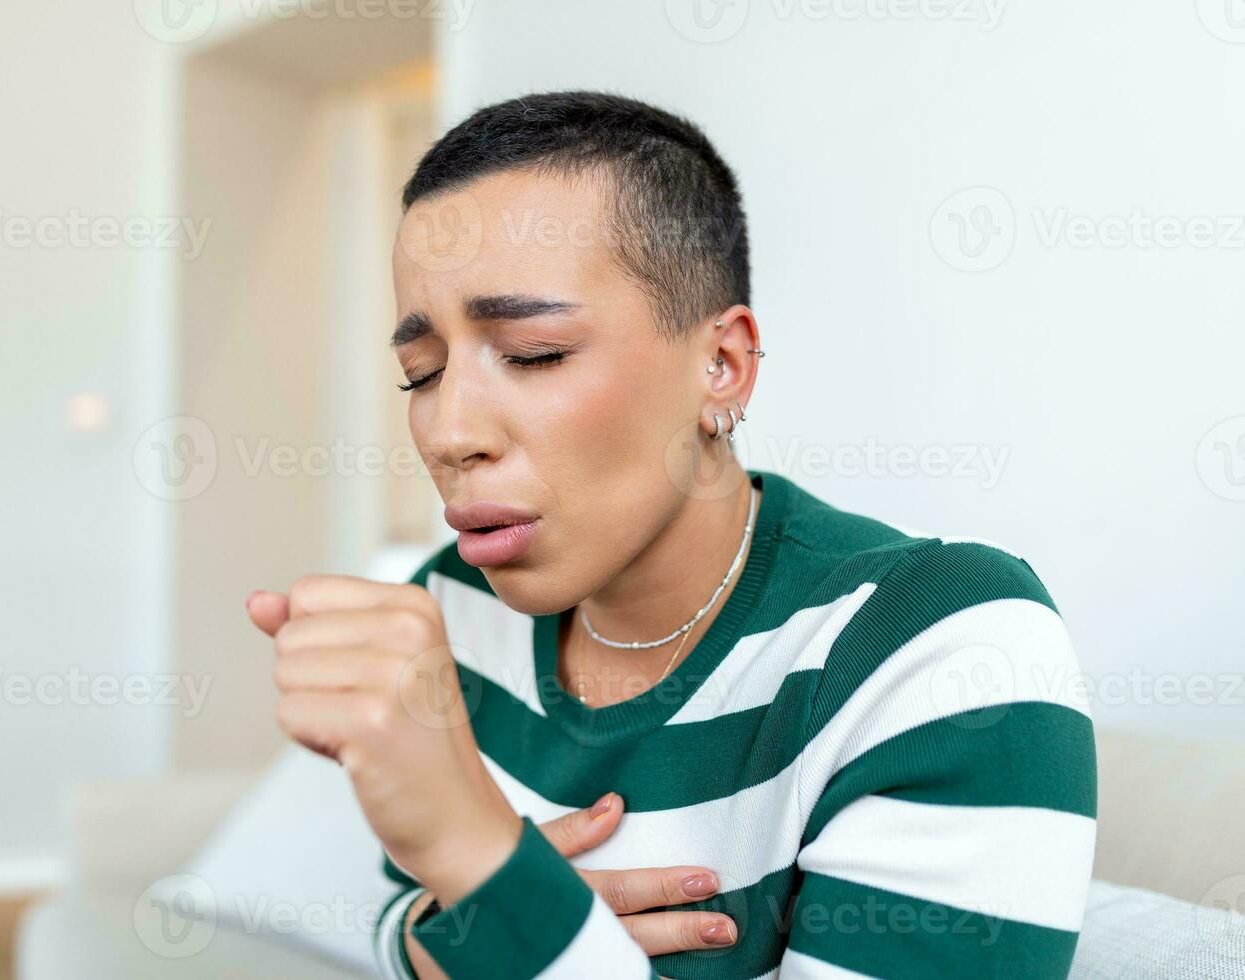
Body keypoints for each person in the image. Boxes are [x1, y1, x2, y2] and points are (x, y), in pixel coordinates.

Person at [246, 90, 1096, 980]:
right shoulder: (452, 606)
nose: (449, 432)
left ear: (721, 366)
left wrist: (489, 871)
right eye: (420, 374)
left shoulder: (937, 644)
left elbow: (474, 905)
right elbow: (409, 926)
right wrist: (455, 925)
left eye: (534, 353)